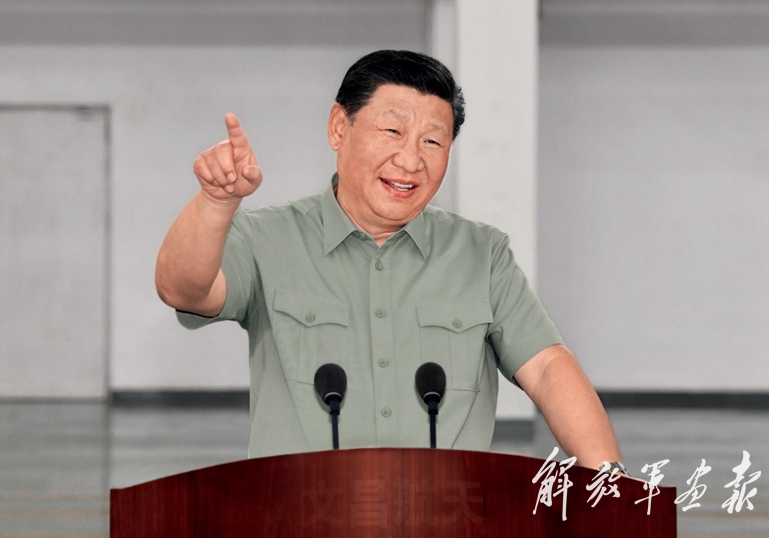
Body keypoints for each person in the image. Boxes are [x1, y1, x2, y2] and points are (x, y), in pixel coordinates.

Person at [155, 50, 624, 471]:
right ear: (339, 127)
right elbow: (183, 290)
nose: (411, 160)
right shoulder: (267, 238)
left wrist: (609, 482)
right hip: (299, 515)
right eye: (393, 131)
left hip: (447, 518)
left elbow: (546, 367)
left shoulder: (481, 253)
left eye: (433, 142)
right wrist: (216, 202)